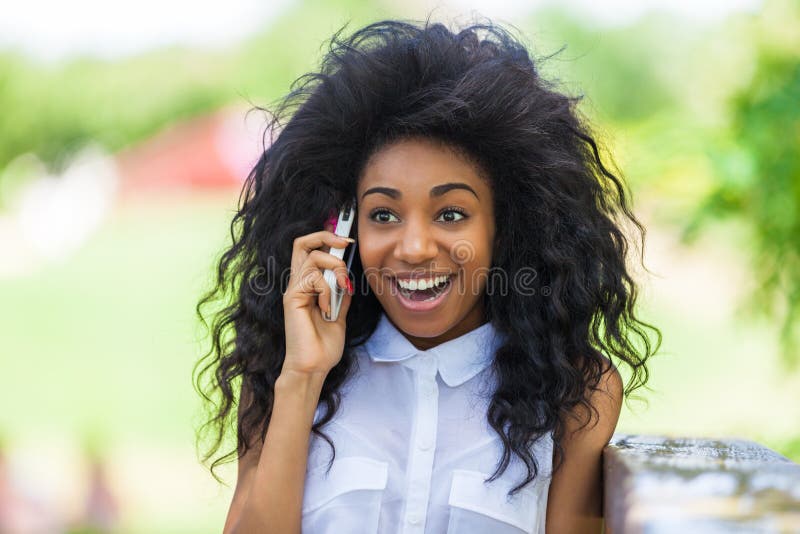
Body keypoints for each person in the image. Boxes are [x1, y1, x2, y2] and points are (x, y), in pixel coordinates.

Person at [194, 17, 660, 534]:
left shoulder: (574, 391)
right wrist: (302, 378)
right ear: (342, 229)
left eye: (451, 214)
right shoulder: (283, 375)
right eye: (384, 215)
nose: (414, 249)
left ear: (505, 228)